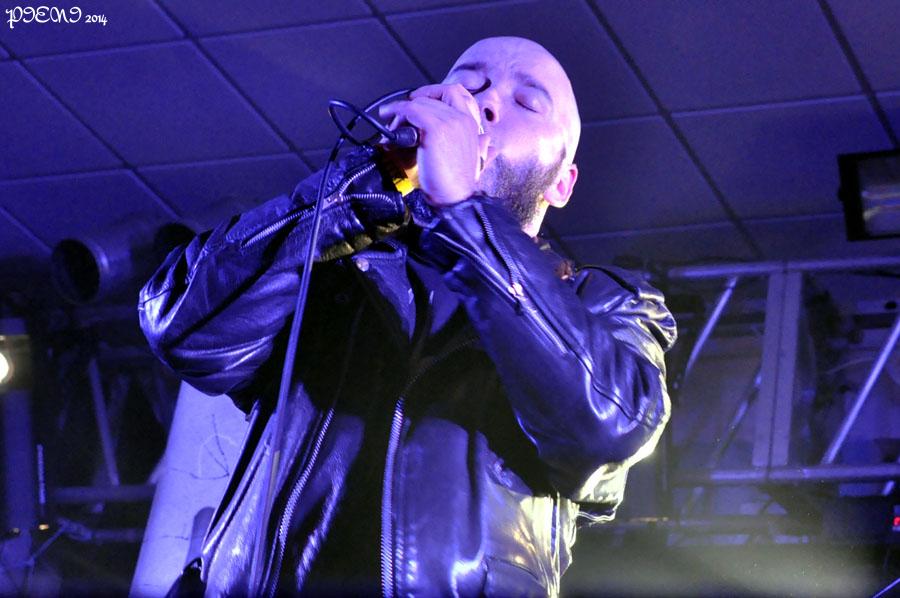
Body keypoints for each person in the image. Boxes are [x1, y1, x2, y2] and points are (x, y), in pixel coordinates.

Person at [139, 36, 676, 597]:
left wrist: (464, 211)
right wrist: (368, 186)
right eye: (470, 83)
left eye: (527, 103)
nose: (487, 103)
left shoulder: (603, 302)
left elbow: (610, 426)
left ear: (562, 183)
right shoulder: (335, 265)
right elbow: (183, 326)